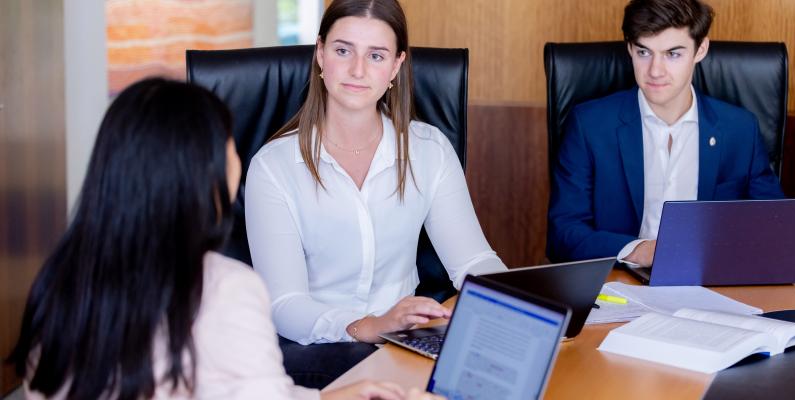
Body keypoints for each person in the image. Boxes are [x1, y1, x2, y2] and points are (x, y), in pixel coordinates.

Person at [9, 78, 436, 400]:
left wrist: (328, 395)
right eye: (229, 147)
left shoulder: (62, 280)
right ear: (203, 177)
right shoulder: (223, 286)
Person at [245, 0, 506, 386]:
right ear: (320, 54)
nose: (357, 70)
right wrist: (371, 326)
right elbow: (285, 305)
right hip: (314, 348)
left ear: (396, 67)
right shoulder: (275, 166)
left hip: (405, 343)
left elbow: (472, 259)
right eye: (342, 50)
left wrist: (526, 310)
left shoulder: (427, 149)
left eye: (376, 55)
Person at [546, 0, 785, 266]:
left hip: (710, 286)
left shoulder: (740, 129)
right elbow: (562, 235)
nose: (655, 71)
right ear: (630, 49)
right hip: (621, 285)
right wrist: (639, 250)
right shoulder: (589, 124)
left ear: (700, 49)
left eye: (673, 54)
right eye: (644, 52)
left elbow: (774, 231)